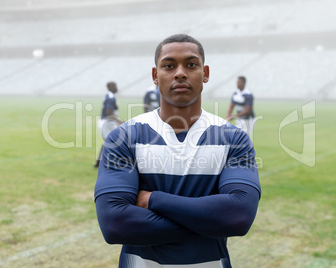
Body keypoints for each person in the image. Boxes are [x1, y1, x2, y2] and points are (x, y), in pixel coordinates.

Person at [94, 34, 261, 267]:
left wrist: (152, 199)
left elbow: (238, 217)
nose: (180, 72)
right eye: (169, 65)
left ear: (205, 74)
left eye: (191, 64)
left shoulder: (234, 139)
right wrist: (208, 221)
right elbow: (115, 225)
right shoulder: (123, 137)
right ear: (155, 75)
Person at [94, 81, 123, 168]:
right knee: (116, 142)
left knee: (108, 142)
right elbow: (109, 113)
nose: (117, 87)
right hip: (107, 123)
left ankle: (98, 163)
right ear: (110, 87)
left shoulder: (108, 95)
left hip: (105, 122)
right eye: (115, 86)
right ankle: (114, 164)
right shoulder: (111, 97)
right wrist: (119, 121)